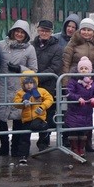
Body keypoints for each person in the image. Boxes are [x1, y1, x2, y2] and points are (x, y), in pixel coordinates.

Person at [0, 19, 38, 157]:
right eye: (17, 31)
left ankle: (15, 147)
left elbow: (34, 69)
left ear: (26, 35)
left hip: (20, 87)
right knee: (1, 117)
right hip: (2, 86)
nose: (19, 34)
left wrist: (20, 68)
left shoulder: (30, 49)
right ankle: (4, 146)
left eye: (22, 32)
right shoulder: (1, 45)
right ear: (12, 31)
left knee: (18, 117)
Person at [31, 19, 64, 151]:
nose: (44, 33)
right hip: (31, 85)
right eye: (42, 30)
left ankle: (43, 141)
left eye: (47, 31)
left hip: (48, 86)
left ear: (51, 32)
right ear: (38, 30)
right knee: (30, 111)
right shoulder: (31, 45)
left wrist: (36, 78)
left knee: (47, 113)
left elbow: (55, 67)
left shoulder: (57, 48)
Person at [11, 71, 53, 165]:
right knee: (24, 137)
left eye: (31, 83)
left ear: (35, 82)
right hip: (26, 119)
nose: (29, 85)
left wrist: (42, 107)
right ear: (23, 84)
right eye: (26, 83)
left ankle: (45, 130)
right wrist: (22, 102)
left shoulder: (41, 91)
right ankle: (23, 155)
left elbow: (49, 99)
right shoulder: (21, 93)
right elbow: (15, 103)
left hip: (39, 116)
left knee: (35, 126)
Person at [65, 57, 94, 156]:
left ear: (90, 70)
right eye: (81, 68)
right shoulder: (74, 81)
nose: (83, 70)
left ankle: (81, 149)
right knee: (74, 131)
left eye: (86, 68)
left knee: (83, 131)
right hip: (75, 110)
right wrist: (77, 98)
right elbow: (68, 92)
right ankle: (74, 148)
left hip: (87, 111)